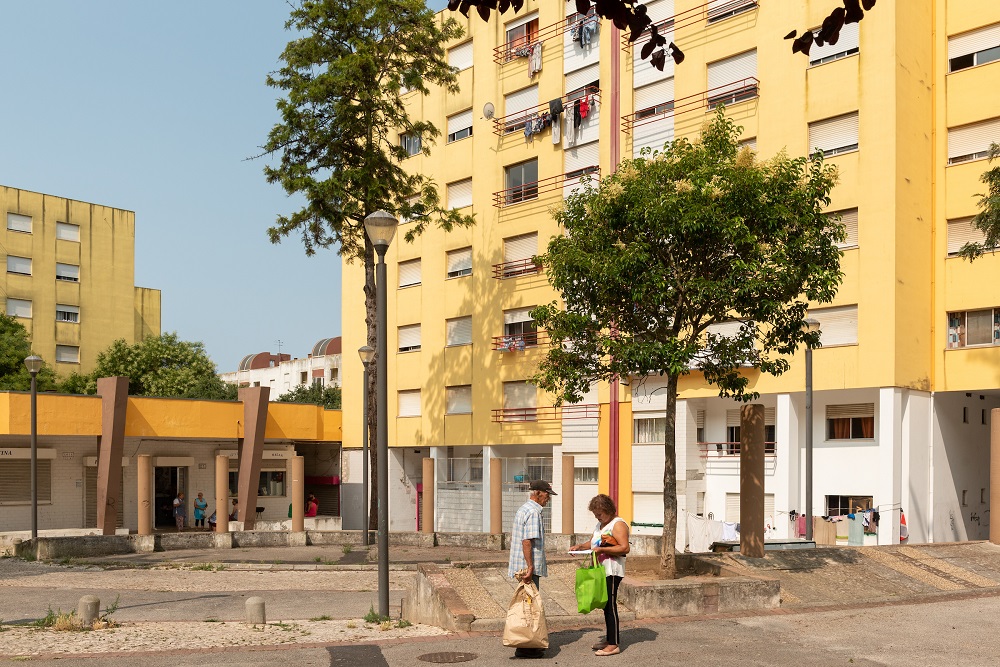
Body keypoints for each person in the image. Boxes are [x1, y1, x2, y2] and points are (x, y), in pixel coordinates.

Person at [571, 493, 630, 656]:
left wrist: (603, 549)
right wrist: (580, 547)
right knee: (605, 605)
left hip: (612, 570)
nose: (597, 517)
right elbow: (593, 542)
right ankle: (610, 638)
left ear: (608, 509)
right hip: (602, 570)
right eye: (595, 514)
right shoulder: (602, 525)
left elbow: (625, 548)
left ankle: (614, 643)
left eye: (599, 514)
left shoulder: (617, 525)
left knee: (610, 606)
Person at [508, 479, 556, 659]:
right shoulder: (534, 512)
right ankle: (527, 646)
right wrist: (530, 567)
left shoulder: (524, 509)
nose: (548, 499)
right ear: (538, 493)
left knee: (526, 606)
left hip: (521, 565)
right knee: (529, 607)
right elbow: (527, 541)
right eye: (547, 495)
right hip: (528, 568)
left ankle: (527, 643)